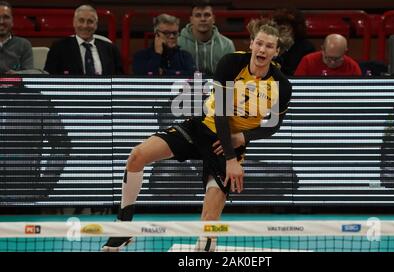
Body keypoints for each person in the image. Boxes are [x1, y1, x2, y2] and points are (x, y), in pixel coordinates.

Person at [102, 19, 292, 252]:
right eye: (259, 43)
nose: (263, 50)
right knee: (137, 156)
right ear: (251, 44)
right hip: (203, 127)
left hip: (229, 144)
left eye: (269, 46)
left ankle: (206, 242)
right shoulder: (231, 63)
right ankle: (123, 225)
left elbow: (274, 125)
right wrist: (232, 160)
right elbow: (220, 114)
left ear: (276, 52)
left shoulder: (281, 85)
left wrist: (243, 138)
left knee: (207, 235)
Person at [44, 4, 122, 75]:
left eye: (90, 21)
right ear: (74, 23)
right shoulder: (59, 48)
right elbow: (49, 79)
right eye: (81, 21)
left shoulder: (110, 49)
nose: (85, 26)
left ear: (96, 25)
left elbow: (120, 80)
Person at [178, 0, 235, 77]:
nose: (203, 19)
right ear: (191, 20)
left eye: (207, 15)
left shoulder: (227, 45)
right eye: (198, 15)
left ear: (214, 19)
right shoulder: (179, 43)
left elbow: (230, 75)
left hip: (217, 87)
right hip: (187, 87)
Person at [272, 8, 315, 76]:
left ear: (295, 29)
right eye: (278, 27)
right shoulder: (270, 44)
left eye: (284, 28)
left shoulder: (306, 47)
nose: (280, 31)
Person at [294, 34, 362, 76]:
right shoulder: (308, 61)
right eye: (328, 58)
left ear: (345, 52)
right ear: (323, 49)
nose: (332, 62)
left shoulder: (353, 67)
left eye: (337, 59)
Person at [0, 1, 34, 74]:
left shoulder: (23, 44)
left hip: (16, 84)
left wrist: (18, 74)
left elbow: (29, 73)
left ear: (12, 21)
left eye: (6, 17)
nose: (1, 22)